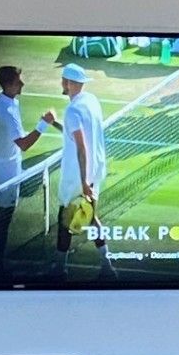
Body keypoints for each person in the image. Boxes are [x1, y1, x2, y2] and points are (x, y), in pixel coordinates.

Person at [41, 61, 113, 281]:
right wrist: (54, 124)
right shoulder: (91, 101)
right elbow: (76, 135)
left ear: (69, 83)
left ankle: (61, 268)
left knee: (67, 218)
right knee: (90, 217)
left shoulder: (73, 109)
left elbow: (81, 147)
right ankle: (106, 265)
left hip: (77, 177)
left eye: (63, 80)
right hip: (96, 170)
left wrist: (83, 182)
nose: (62, 83)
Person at [0, 65, 48, 278]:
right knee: (4, 214)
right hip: (6, 170)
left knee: (2, 212)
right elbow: (25, 144)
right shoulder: (8, 111)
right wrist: (43, 124)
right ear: (9, 84)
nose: (22, 84)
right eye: (19, 81)